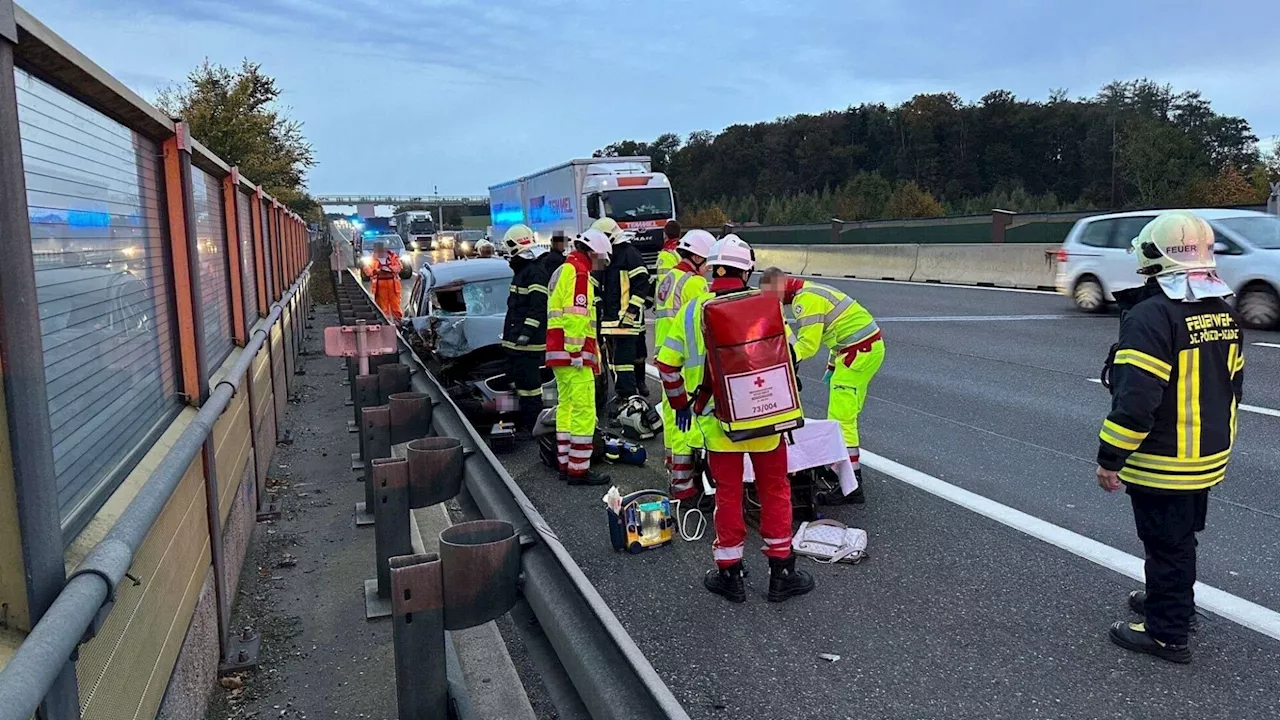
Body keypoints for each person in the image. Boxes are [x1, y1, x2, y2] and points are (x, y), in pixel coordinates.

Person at [1095, 211, 1243, 664]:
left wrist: (1110, 457)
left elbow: (1137, 400)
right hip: (1207, 452)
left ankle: (1166, 632)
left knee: (1165, 543)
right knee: (1179, 539)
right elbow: (1232, 383)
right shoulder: (1221, 309)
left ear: (1153, 254)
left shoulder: (1152, 316)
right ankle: (1171, 599)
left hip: (1165, 459)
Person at [656, 235, 814, 604]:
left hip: (719, 422)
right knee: (775, 490)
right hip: (767, 422)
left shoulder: (693, 310)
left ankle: (730, 573)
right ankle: (782, 572)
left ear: (712, 268)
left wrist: (681, 403)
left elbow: (666, 366)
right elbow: (789, 357)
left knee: (728, 494)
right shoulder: (767, 306)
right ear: (747, 271)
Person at [762, 269, 883, 505]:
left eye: (772, 295)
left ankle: (852, 485)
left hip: (857, 354)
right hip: (858, 351)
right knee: (845, 414)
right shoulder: (810, 290)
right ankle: (840, 468)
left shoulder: (805, 300)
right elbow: (837, 329)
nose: (774, 302)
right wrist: (831, 365)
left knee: (842, 419)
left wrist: (780, 361)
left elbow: (808, 345)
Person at [547, 228, 614, 486]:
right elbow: (575, 316)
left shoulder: (563, 269)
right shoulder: (579, 274)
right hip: (573, 356)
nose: (601, 264)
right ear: (592, 252)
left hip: (557, 353)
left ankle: (565, 463)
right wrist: (576, 352)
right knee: (585, 411)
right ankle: (579, 469)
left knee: (566, 408)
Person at [653, 229, 715, 500]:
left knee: (672, 417)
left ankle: (674, 470)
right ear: (699, 256)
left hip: (667, 357)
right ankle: (684, 485)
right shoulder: (693, 283)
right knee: (686, 422)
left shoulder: (669, 277)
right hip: (687, 360)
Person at [592, 217, 651, 412]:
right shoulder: (602, 257)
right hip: (609, 321)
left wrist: (632, 311)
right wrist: (600, 308)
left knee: (625, 363)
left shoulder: (629, 254)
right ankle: (623, 396)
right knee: (614, 363)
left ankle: (629, 398)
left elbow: (642, 283)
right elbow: (596, 286)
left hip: (627, 320)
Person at [501, 225, 554, 440]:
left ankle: (533, 425)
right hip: (516, 342)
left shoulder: (534, 271)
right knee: (522, 386)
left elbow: (538, 306)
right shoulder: (524, 270)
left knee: (531, 388)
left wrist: (526, 332)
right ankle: (526, 421)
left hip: (529, 344)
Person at [363, 239, 403, 322]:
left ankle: (398, 323)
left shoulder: (393, 257)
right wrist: (376, 271)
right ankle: (385, 323)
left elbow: (399, 267)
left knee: (395, 306)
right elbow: (367, 270)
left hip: (393, 286)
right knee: (382, 308)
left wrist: (389, 269)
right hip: (379, 286)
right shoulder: (372, 259)